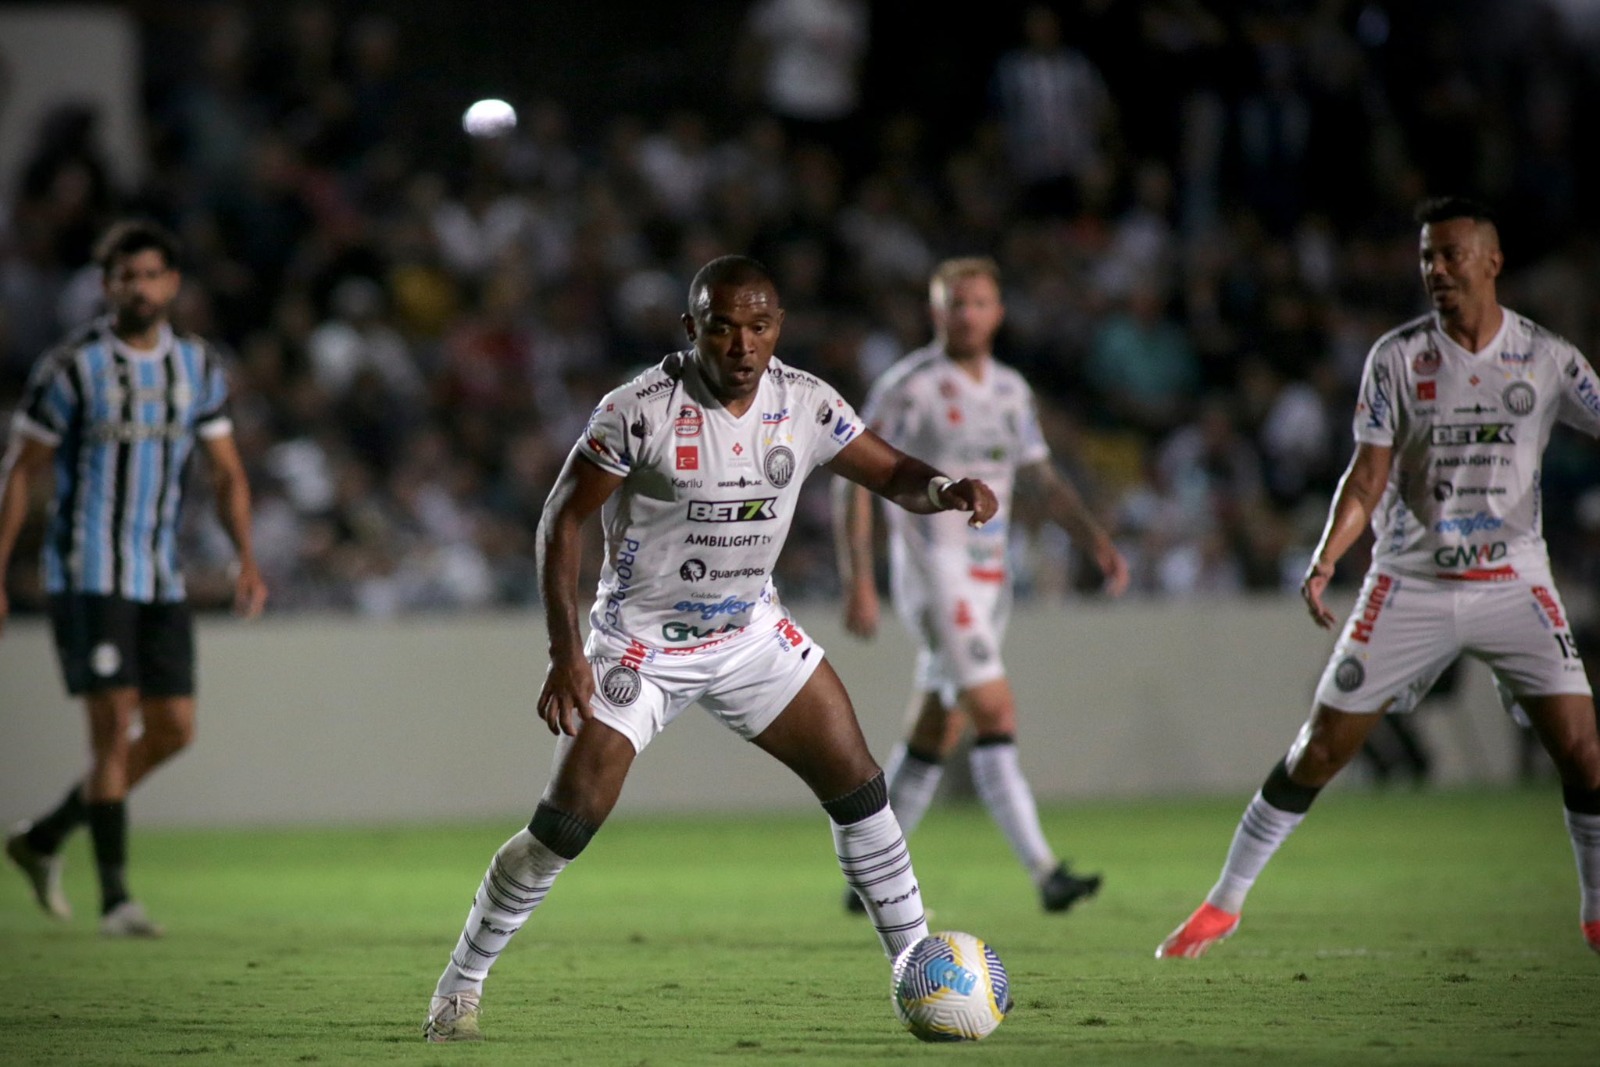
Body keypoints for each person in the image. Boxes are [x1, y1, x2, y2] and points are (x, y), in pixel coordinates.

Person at [422, 255, 999, 1042]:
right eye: (723, 326)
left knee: (861, 785)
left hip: (749, 634)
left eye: (758, 326)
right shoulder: (639, 409)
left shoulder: (804, 401)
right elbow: (562, 517)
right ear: (691, 327)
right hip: (640, 648)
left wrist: (944, 489)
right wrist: (566, 651)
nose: (741, 343)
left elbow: (889, 469)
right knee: (566, 824)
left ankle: (917, 970)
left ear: (777, 330)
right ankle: (460, 984)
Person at [1156, 197, 1600, 959]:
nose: (1435, 269)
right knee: (1320, 750)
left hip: (1514, 582)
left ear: (1492, 262)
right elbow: (1365, 478)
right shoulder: (1398, 358)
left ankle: (1595, 912)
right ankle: (1221, 904)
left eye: (1451, 254)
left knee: (1584, 750)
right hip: (1410, 584)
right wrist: (1330, 554)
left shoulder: (1547, 358)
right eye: (1427, 256)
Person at [833, 256, 1129, 916]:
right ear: (933, 312)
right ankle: (1046, 870)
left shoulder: (1011, 390)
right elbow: (846, 473)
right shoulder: (908, 386)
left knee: (940, 725)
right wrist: (859, 579)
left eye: (977, 302)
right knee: (995, 710)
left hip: (993, 577)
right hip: (935, 574)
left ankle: (869, 876)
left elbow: (1042, 478)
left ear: (998, 312)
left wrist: (1094, 539)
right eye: (952, 302)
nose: (964, 313)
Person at [1, 219, 268, 937]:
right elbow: (21, 471)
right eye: (126, 276)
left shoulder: (198, 367)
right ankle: (117, 897)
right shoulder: (71, 367)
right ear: (105, 284)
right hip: (89, 572)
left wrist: (246, 555)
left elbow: (225, 471)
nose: (140, 288)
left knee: (175, 728)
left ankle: (46, 835)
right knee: (113, 729)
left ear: (172, 284)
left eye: (152, 275)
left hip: (160, 575)